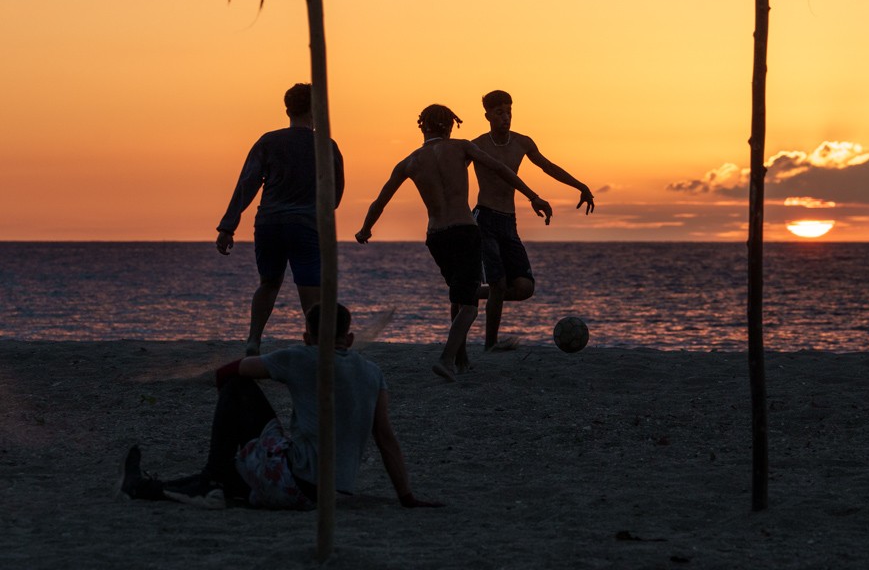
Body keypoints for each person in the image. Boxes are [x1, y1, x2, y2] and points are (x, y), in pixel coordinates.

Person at [119, 303, 440, 511]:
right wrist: (406, 497)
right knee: (235, 477)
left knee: (237, 387)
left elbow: (227, 372)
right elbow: (386, 439)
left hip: (296, 482)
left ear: (306, 336)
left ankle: (205, 479)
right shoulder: (374, 373)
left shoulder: (301, 357)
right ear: (350, 338)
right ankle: (165, 486)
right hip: (332, 492)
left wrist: (236, 423)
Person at [355, 104, 552, 382]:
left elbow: (380, 201)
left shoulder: (409, 162)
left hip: (436, 236)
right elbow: (500, 169)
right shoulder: (461, 147)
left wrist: (365, 229)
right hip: (464, 231)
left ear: (422, 127)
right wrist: (533, 196)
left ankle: (461, 359)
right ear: (450, 126)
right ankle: (446, 359)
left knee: (457, 293)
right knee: (469, 304)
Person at [215, 82, 345, 356]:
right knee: (309, 288)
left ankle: (253, 340)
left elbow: (246, 184)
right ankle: (317, 345)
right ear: (316, 109)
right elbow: (335, 196)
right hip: (305, 225)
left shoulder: (268, 141)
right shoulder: (326, 145)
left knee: (269, 283)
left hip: (269, 224)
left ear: (287, 109)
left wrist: (228, 226)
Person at [469, 90, 594, 350]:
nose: (506, 117)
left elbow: (548, 166)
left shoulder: (522, 143)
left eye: (509, 111)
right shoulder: (477, 145)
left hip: (508, 221)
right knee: (499, 283)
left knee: (524, 288)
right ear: (488, 116)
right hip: (484, 219)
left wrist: (580, 185)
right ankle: (490, 344)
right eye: (500, 112)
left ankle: (470, 294)